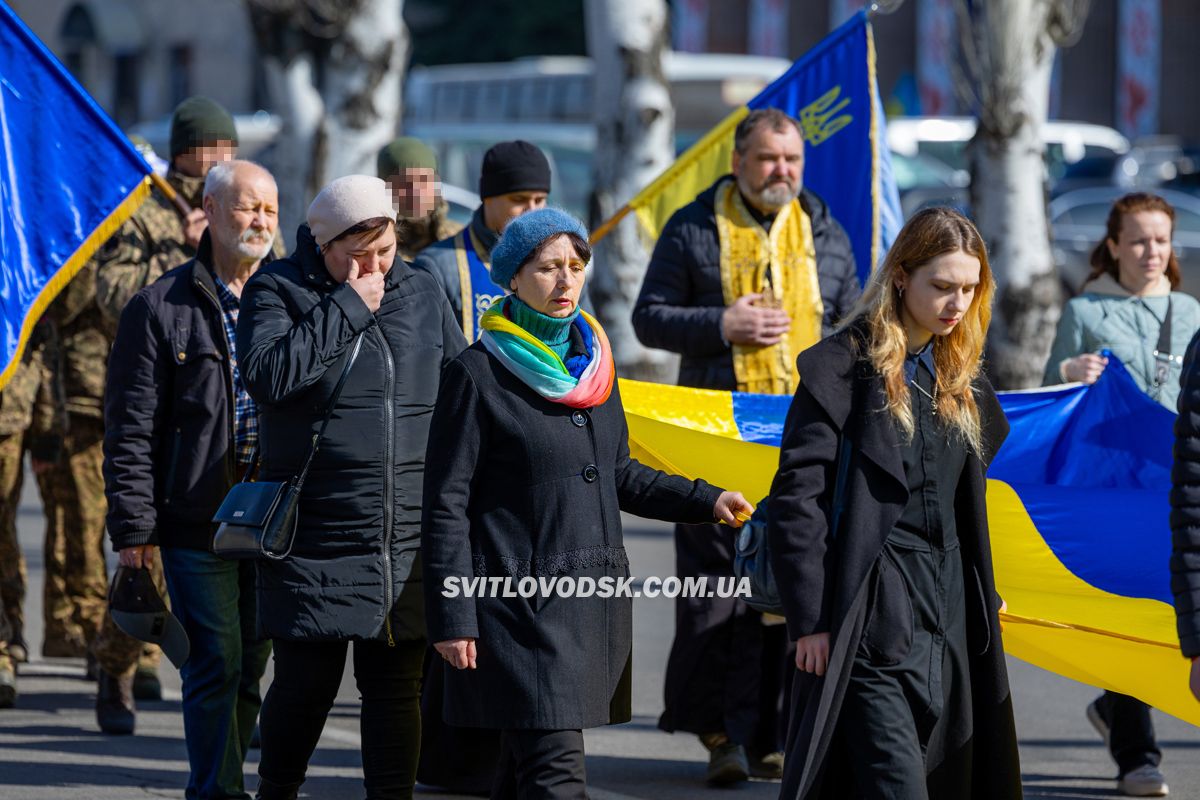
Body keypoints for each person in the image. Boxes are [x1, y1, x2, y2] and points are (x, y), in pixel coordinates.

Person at [421, 207, 754, 800]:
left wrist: (708, 500)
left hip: (589, 603)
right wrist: (454, 615)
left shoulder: (594, 369)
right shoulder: (477, 375)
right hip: (516, 612)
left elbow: (620, 474)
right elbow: (446, 505)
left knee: (520, 778)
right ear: (512, 279)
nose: (566, 280)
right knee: (557, 777)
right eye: (548, 268)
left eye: (576, 266)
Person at [630, 106, 859, 784]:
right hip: (717, 437)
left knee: (792, 586)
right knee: (718, 592)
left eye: (791, 161)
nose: (781, 172)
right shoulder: (694, 226)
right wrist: (721, 323)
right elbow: (649, 317)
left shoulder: (825, 230)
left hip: (802, 435)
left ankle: (774, 734)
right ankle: (720, 734)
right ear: (737, 162)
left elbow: (853, 321)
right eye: (768, 160)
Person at [767, 207, 1020, 799]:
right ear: (901, 276)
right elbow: (796, 500)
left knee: (949, 779)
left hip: (953, 617)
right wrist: (810, 621)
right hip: (870, 611)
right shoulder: (839, 368)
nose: (956, 303)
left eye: (969, 288)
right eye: (942, 286)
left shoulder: (964, 376)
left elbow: (966, 503)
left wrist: (985, 584)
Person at [237, 175, 466, 800]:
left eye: (384, 251)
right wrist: (347, 308)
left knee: (395, 688)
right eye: (355, 255)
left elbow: (458, 388)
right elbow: (268, 376)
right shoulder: (276, 288)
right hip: (315, 527)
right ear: (321, 242)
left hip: (404, 528)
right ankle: (277, 790)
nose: (373, 268)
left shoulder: (420, 287)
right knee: (305, 684)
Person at [103, 160, 280, 799]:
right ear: (210, 208)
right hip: (195, 520)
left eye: (269, 209)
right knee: (214, 660)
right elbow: (129, 432)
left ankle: (222, 779)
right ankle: (218, 791)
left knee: (254, 663)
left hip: (273, 518)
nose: (259, 220)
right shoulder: (158, 306)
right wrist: (134, 533)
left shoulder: (290, 298)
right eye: (246, 206)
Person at [91, 94, 241, 734]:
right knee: (143, 559)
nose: (216, 158)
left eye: (225, 148)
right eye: (205, 148)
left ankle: (230, 699)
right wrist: (176, 255)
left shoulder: (240, 202)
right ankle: (117, 670)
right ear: (181, 150)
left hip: (222, 414)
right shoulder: (141, 207)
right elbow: (108, 294)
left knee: (225, 580)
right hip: (159, 401)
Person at [1045, 192, 1198, 798]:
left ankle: (1115, 707)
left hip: (1174, 480)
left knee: (1172, 611)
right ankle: (1137, 752)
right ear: (1112, 245)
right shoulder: (1086, 309)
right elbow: (1050, 382)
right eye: (1137, 240)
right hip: (1110, 487)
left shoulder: (1188, 310)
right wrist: (1068, 373)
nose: (1151, 252)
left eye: (1160, 240)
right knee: (1127, 610)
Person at [412, 139, 554, 339]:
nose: (531, 211)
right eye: (519, 199)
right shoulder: (438, 266)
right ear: (488, 197)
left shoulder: (561, 264)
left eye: (539, 200)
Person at [376, 136, 463, 261]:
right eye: (406, 183)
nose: (417, 191)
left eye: (424, 181)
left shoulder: (457, 239)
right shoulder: (372, 244)